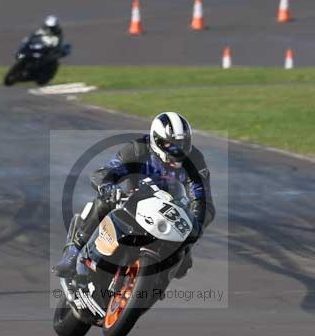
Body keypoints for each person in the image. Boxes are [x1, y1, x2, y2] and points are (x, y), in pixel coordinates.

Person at [54, 111, 214, 278]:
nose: (177, 150)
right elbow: (105, 172)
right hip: (133, 201)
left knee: (182, 265)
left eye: (182, 144)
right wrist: (108, 187)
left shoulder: (195, 160)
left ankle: (152, 285)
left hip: (169, 212)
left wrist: (197, 220)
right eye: (170, 144)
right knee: (103, 203)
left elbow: (203, 199)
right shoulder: (138, 149)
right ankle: (72, 255)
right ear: (156, 140)